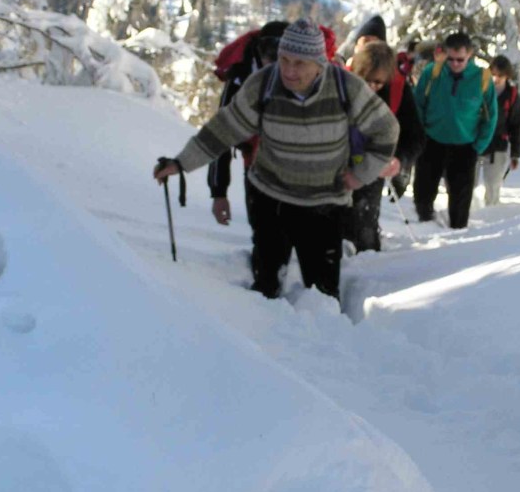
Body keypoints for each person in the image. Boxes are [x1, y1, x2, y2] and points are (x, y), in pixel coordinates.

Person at [153, 18, 399, 302]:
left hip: (324, 205)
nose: (289, 71)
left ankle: (321, 329)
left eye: (299, 63)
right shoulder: (264, 83)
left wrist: (361, 174)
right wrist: (181, 163)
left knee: (323, 296)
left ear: (320, 63)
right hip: (271, 200)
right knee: (265, 288)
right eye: (284, 60)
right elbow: (224, 129)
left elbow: (386, 129)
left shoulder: (346, 87)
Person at [343, 41, 426, 252]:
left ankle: (370, 258)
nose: (370, 87)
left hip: (373, 164)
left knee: (364, 223)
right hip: (338, 164)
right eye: (365, 80)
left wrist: (399, 160)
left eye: (378, 82)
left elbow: (415, 136)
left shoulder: (398, 90)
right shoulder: (341, 84)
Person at [412, 31, 498, 229]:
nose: (455, 64)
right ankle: (425, 227)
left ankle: (458, 236)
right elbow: (418, 105)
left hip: (465, 146)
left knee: (460, 201)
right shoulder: (432, 73)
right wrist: (420, 134)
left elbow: (491, 116)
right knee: (422, 194)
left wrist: (479, 146)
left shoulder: (482, 78)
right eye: (450, 59)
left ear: (469, 55)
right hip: (432, 142)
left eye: (460, 59)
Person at [208, 20, 287, 228]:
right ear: (259, 50)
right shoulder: (241, 75)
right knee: (264, 231)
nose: (274, 62)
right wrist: (219, 192)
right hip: (255, 163)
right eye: (269, 53)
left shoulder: (305, 73)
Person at [478, 55, 520, 206]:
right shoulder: (480, 90)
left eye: (500, 75)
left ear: (507, 76)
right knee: (467, 184)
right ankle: (469, 213)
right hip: (475, 142)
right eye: (493, 74)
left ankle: (492, 213)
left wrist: (515, 153)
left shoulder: (512, 96)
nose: (496, 79)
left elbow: (517, 125)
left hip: (498, 145)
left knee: (492, 185)